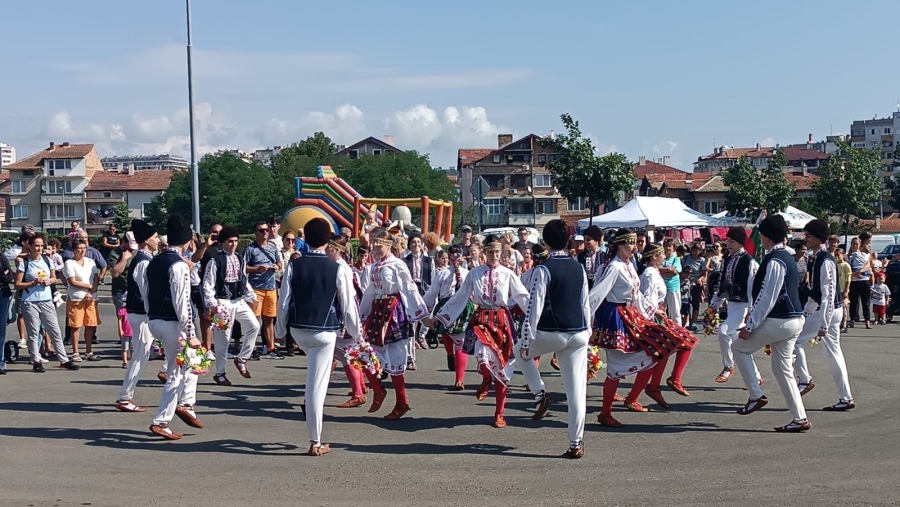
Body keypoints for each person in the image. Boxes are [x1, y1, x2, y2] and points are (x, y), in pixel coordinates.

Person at [587, 229, 695, 428]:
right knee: (616, 368)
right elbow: (596, 295)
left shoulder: (629, 265)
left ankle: (628, 399)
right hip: (616, 317)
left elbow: (636, 295)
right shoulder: (615, 267)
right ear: (620, 245)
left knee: (654, 350)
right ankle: (606, 412)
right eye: (630, 243)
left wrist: (653, 310)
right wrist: (585, 323)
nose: (634, 247)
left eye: (635, 243)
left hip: (631, 315)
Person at [276, 219, 361, 456]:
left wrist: (280, 331)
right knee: (316, 386)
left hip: (298, 330)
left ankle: (316, 438)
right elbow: (347, 304)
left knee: (314, 376)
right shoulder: (339, 267)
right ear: (327, 240)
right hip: (325, 331)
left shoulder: (294, 264)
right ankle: (315, 441)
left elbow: (284, 300)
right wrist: (357, 334)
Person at [429, 234, 530, 428]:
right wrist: (441, 317)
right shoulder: (475, 273)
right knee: (482, 354)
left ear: (501, 253)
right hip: (481, 318)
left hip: (501, 319)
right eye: (490, 251)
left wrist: (536, 318)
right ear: (484, 253)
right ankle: (485, 377)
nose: (494, 255)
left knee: (503, 368)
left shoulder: (508, 274)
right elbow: (460, 297)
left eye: (497, 252)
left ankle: (499, 413)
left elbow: (523, 297)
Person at [516, 220, 590, 458]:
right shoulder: (578, 267)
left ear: (545, 242)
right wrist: (587, 331)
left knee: (519, 351)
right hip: (578, 332)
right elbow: (585, 303)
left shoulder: (543, 269)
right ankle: (575, 442)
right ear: (568, 240)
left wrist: (527, 340)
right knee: (576, 391)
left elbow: (533, 307)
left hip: (553, 333)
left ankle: (539, 394)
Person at [733, 214, 810, 432]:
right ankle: (799, 418)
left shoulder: (775, 260)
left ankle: (756, 395)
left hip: (780, 320)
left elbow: (768, 296)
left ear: (765, 237)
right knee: (782, 369)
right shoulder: (786, 256)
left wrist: (750, 326)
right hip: (793, 319)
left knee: (738, 347)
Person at [358, 229, 428, 420]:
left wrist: (421, 314)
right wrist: (361, 316)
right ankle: (379, 390)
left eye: (378, 244)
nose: (374, 248)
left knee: (396, 358)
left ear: (388, 245)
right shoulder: (373, 267)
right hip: (377, 311)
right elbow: (369, 292)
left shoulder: (397, 265)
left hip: (394, 312)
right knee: (362, 352)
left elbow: (409, 288)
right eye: (373, 244)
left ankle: (401, 401)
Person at [148, 215, 204, 440]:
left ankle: (187, 403)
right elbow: (183, 302)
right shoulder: (178, 265)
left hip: (154, 319)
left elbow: (146, 292)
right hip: (172, 323)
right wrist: (190, 333)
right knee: (176, 374)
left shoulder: (155, 261)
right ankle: (162, 420)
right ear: (187, 240)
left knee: (196, 361)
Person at [792, 219, 855, 412]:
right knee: (834, 353)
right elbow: (818, 293)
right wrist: (806, 313)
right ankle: (846, 397)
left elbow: (827, 294)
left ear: (819, 238)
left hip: (828, 311)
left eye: (809, 236)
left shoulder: (825, 260)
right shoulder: (817, 257)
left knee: (794, 340)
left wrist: (823, 325)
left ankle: (804, 380)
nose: (806, 239)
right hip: (827, 311)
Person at [203, 226, 261, 386]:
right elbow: (208, 284)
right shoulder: (215, 260)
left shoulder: (240, 258)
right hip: (222, 302)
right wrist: (212, 304)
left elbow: (243, 279)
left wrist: (251, 296)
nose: (234, 244)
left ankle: (242, 358)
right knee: (223, 339)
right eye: (230, 241)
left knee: (254, 326)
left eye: (236, 241)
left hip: (238, 300)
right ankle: (220, 373)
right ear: (222, 243)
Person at [114, 220, 161, 412]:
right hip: (141, 314)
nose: (158, 240)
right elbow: (145, 291)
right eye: (155, 237)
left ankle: (126, 396)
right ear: (147, 240)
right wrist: (154, 313)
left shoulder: (146, 259)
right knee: (140, 355)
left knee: (143, 353)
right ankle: (125, 397)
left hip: (142, 313)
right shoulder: (142, 262)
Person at [15, 234, 78, 372]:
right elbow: (18, 284)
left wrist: (49, 281)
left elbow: (54, 278)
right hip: (30, 301)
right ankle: (36, 361)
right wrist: (33, 282)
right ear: (30, 246)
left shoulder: (47, 260)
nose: (39, 248)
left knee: (54, 329)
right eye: (36, 245)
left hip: (46, 299)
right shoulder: (24, 263)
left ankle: (64, 360)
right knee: (34, 332)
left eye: (41, 245)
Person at [710, 227, 762, 385]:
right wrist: (714, 303)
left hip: (745, 305)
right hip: (732, 304)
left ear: (741, 242)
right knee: (739, 345)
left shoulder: (750, 262)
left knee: (724, 332)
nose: (728, 244)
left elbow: (753, 288)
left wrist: (752, 311)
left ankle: (728, 366)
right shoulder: (726, 259)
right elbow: (723, 285)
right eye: (727, 240)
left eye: (732, 241)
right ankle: (757, 376)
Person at [323, 235, 367, 408]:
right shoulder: (340, 266)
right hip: (343, 310)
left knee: (346, 351)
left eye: (330, 247)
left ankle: (358, 392)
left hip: (342, 312)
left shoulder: (340, 268)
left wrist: (351, 322)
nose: (327, 250)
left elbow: (345, 298)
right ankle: (360, 387)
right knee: (345, 351)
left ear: (339, 250)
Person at [423, 244, 471, 389]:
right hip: (445, 304)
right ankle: (450, 354)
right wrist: (427, 313)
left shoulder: (468, 273)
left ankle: (459, 379)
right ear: (449, 258)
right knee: (446, 334)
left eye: (458, 255)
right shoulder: (442, 274)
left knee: (460, 341)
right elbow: (431, 293)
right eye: (453, 256)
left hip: (463, 306)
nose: (455, 259)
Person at [245, 221, 284, 359]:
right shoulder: (250, 249)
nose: (265, 233)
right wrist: (257, 269)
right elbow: (243, 268)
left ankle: (271, 347)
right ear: (256, 233)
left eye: (266, 230)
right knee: (254, 320)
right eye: (261, 230)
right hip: (256, 288)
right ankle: (253, 347)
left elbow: (280, 262)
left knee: (269, 320)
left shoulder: (273, 247)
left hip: (271, 288)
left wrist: (277, 266)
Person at [64, 238, 102, 361]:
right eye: (79, 248)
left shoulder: (90, 261)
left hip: (91, 298)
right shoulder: (69, 263)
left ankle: (88, 351)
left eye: (84, 248)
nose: (82, 250)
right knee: (76, 325)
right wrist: (89, 286)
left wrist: (92, 291)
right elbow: (72, 281)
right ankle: (75, 352)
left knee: (90, 324)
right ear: (74, 250)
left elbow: (96, 278)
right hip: (76, 298)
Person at [403, 232, 435, 355]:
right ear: (409, 246)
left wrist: (431, 292)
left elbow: (432, 278)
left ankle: (421, 336)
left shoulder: (428, 261)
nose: (416, 245)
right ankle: (412, 341)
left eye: (418, 242)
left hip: (424, 289)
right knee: (413, 317)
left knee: (426, 313)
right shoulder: (405, 261)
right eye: (413, 242)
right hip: (411, 290)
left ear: (422, 245)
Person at [847, 236, 873, 329]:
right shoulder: (847, 256)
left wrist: (860, 272)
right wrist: (854, 274)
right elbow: (846, 269)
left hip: (864, 280)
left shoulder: (864, 255)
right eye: (853, 244)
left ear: (860, 245)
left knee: (865, 302)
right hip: (853, 281)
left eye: (856, 244)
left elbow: (868, 266)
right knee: (853, 302)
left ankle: (867, 320)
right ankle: (852, 320)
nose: (855, 245)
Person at [682, 242, 708, 331]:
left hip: (696, 284)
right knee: (686, 303)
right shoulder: (686, 257)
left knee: (695, 303)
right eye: (693, 250)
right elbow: (681, 269)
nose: (695, 252)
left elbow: (704, 274)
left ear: (700, 251)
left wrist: (700, 279)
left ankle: (693, 322)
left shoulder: (702, 260)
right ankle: (686, 322)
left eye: (697, 251)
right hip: (685, 283)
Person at [659, 238, 683, 322]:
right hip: (661, 288)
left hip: (672, 288)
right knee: (661, 310)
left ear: (673, 248)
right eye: (665, 246)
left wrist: (662, 271)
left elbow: (675, 271)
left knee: (675, 312)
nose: (667, 248)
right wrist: (668, 270)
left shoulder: (676, 258)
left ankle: (678, 332)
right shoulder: (661, 257)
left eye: (669, 246)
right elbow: (657, 269)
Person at [835, 248, 851, 332]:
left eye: (839, 254)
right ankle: (837, 323)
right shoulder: (835, 264)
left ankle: (844, 324)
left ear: (843, 255)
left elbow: (848, 279)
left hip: (843, 289)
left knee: (843, 308)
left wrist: (846, 290)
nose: (837, 257)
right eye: (836, 255)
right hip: (836, 290)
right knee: (837, 308)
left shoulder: (846, 265)